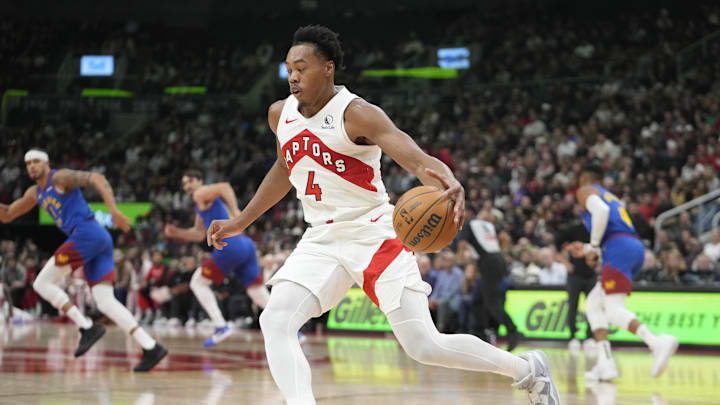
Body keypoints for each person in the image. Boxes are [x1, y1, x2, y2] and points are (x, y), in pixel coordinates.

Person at [207, 25, 559, 405]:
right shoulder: (281, 114)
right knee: (274, 320)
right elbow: (284, 167)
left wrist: (447, 179)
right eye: (289, 67)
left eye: (303, 67)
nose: (293, 76)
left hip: (374, 234)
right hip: (321, 239)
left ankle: (526, 370)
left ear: (328, 68)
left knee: (423, 345)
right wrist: (241, 220)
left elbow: (411, 155)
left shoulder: (357, 113)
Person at [0, 149, 167, 371]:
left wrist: (113, 210)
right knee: (105, 302)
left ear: (47, 163)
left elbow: (96, 178)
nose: (32, 166)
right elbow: (9, 213)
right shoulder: (34, 192)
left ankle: (86, 326)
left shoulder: (59, 178)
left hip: (86, 233)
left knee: (42, 283)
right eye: (28, 162)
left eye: (36, 161)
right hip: (97, 239)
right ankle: (151, 346)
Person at [576, 164, 678, 380]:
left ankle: (657, 342)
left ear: (585, 179)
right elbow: (612, 225)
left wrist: (593, 245)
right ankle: (606, 364)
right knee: (593, 303)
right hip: (631, 247)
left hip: (618, 249)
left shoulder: (586, 190)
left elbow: (601, 213)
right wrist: (589, 247)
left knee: (613, 310)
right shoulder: (611, 196)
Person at [164, 170, 270, 347]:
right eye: (184, 183)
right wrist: (177, 232)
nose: (187, 186)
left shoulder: (200, 193)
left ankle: (221, 326)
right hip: (246, 245)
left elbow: (224, 186)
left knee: (197, 282)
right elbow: (199, 234)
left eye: (190, 181)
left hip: (230, 245)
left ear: (200, 181)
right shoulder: (201, 202)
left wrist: (237, 211)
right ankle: (295, 331)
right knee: (256, 292)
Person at [458, 211, 522, 351]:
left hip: (489, 263)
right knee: (477, 300)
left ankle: (513, 331)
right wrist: (501, 252)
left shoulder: (469, 224)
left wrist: (461, 258)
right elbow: (505, 238)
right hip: (497, 260)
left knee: (491, 302)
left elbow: (462, 243)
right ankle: (483, 334)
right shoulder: (489, 225)